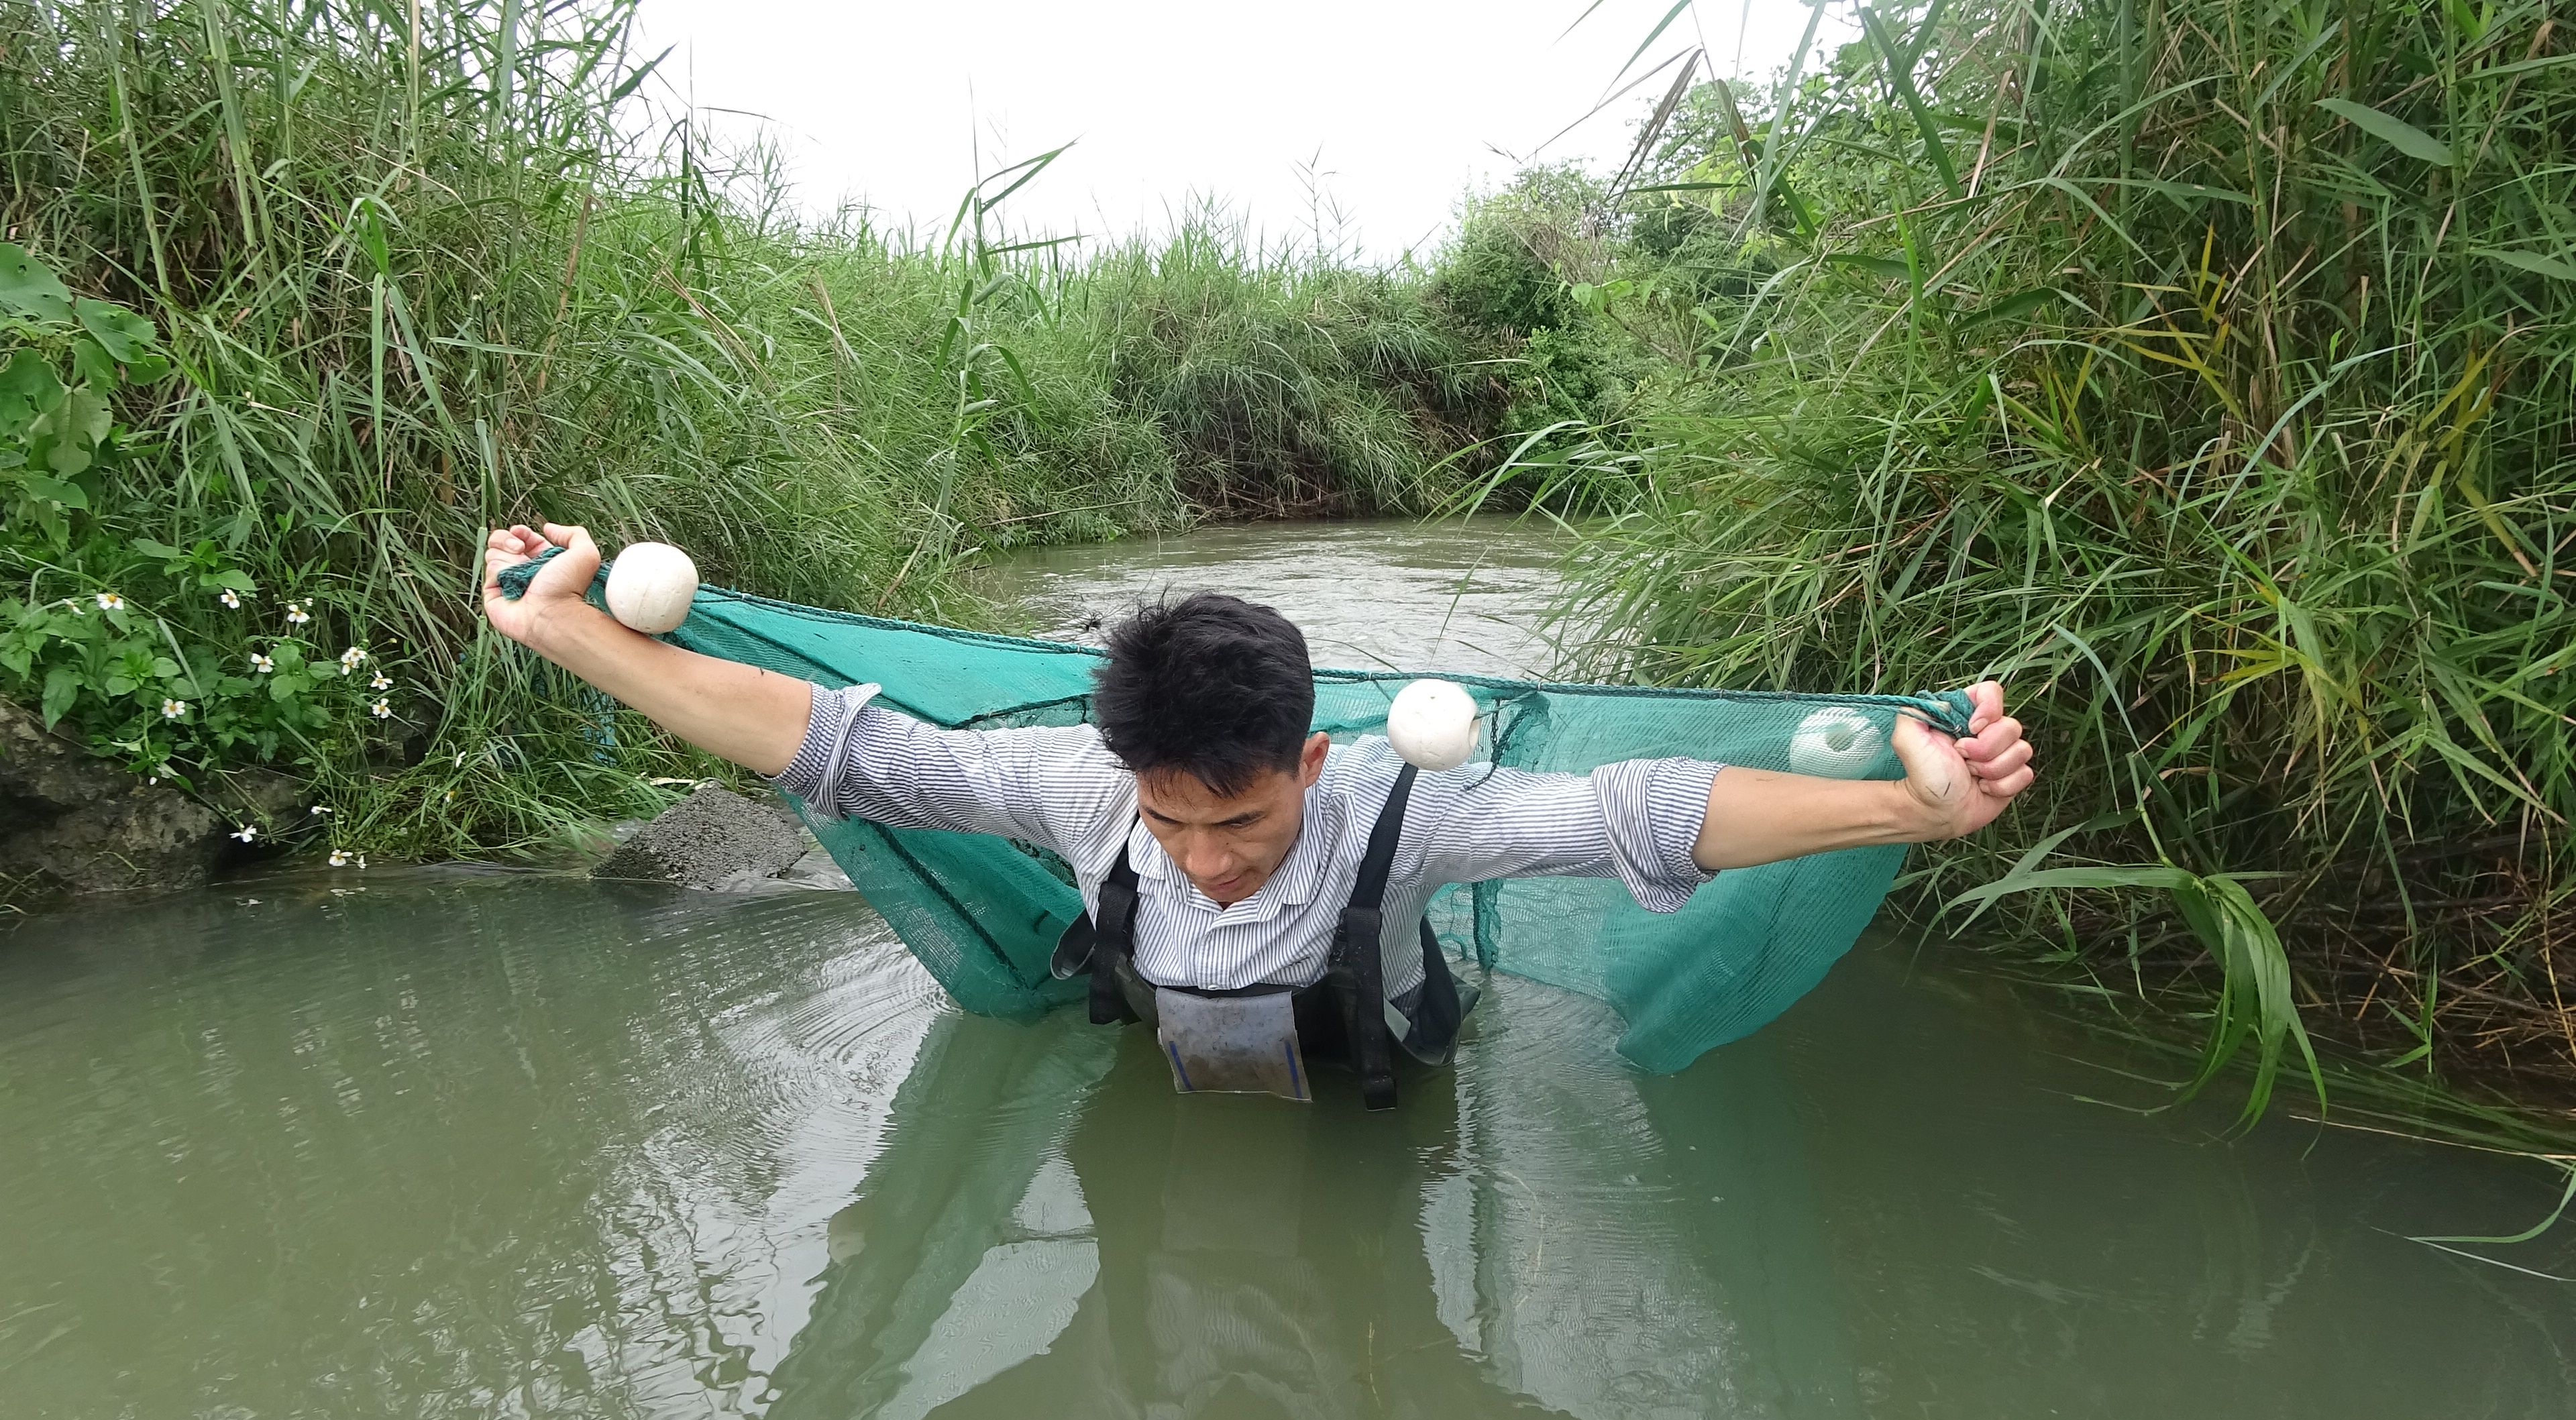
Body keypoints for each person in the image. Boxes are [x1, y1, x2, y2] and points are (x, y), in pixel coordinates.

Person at [480, 522, 2037, 1103]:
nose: (1204, 865)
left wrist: (1911, 817)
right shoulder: (1080, 788)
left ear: (1308, 764)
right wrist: (572, 634)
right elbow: (830, 742)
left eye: (1240, 827)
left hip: (1377, 1091)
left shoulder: (1402, 812)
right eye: (1172, 830)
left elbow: (1645, 808)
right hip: (1173, 1075)